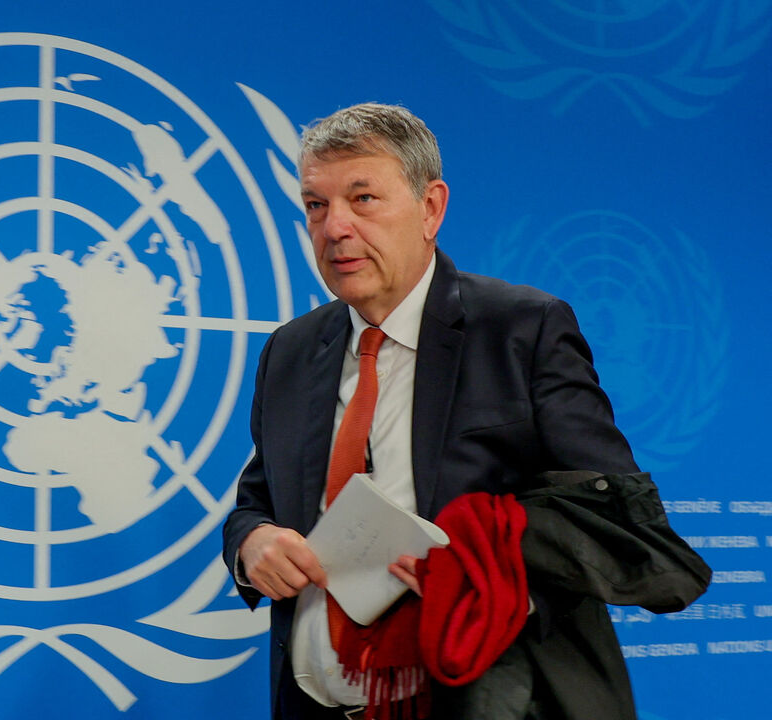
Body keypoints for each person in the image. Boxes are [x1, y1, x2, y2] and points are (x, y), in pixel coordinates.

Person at [221, 103, 693, 719]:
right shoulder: (289, 350)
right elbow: (258, 499)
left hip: (486, 697)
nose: (335, 226)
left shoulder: (522, 330)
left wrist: (481, 565)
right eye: (316, 204)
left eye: (363, 199)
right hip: (316, 702)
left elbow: (616, 525)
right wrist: (251, 544)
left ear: (430, 208)